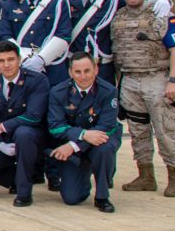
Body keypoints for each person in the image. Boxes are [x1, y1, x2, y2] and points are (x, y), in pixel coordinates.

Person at [111, 0, 175, 198]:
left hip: (157, 78)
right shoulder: (118, 17)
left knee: (165, 130)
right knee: (137, 131)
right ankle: (146, 176)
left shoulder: (162, 14)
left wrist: (173, 81)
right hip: (129, 80)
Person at [0, 40, 50, 207]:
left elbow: (34, 116)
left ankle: (24, 193)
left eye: (11, 59)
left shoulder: (37, 80)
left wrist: (2, 127)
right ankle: (19, 176)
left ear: (19, 59)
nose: (6, 65)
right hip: (5, 140)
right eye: (1, 61)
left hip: (33, 138)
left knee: (23, 133)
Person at [48, 52, 121, 212]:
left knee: (104, 148)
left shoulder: (108, 91)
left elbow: (107, 127)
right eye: (78, 72)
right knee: (72, 198)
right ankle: (85, 171)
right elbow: (55, 126)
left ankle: (102, 196)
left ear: (96, 70)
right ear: (70, 72)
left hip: (100, 141)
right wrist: (83, 135)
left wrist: (74, 145)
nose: (83, 76)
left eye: (87, 71)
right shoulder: (58, 92)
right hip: (75, 144)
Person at [1, 0, 70, 85]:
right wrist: (24, 59)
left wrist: (40, 60)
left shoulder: (57, 3)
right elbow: (5, 35)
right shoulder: (9, 4)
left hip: (51, 68)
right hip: (21, 67)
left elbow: (64, 35)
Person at [66, 0, 120, 85]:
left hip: (102, 67)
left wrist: (164, 1)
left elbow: (135, 0)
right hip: (76, 68)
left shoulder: (111, 1)